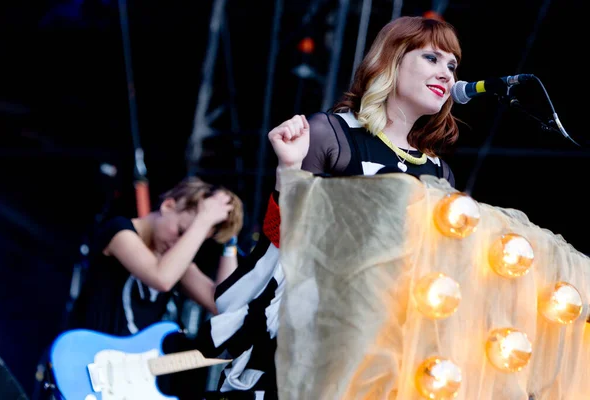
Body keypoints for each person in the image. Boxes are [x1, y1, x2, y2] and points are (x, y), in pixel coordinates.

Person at [196, 15, 463, 399]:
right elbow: (282, 239)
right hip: (308, 332)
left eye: (452, 66)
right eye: (432, 59)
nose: (447, 74)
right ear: (391, 60)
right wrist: (288, 172)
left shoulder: (439, 171)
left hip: (381, 345)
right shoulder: (332, 134)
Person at [66, 176, 244, 337]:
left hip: (127, 369)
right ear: (167, 206)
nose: (182, 244)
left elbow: (223, 306)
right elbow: (162, 278)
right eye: (182, 231)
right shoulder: (120, 231)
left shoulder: (173, 261)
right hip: (86, 359)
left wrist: (229, 244)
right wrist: (202, 221)